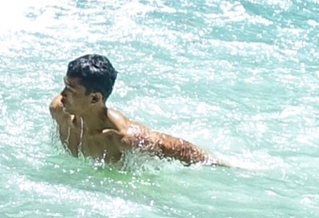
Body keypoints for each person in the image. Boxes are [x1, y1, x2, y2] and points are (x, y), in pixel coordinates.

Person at [50, 54, 209, 165]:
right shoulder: (59, 111)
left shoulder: (123, 137)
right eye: (65, 85)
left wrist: (221, 164)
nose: (62, 94)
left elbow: (177, 149)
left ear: (94, 98)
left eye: (70, 90)